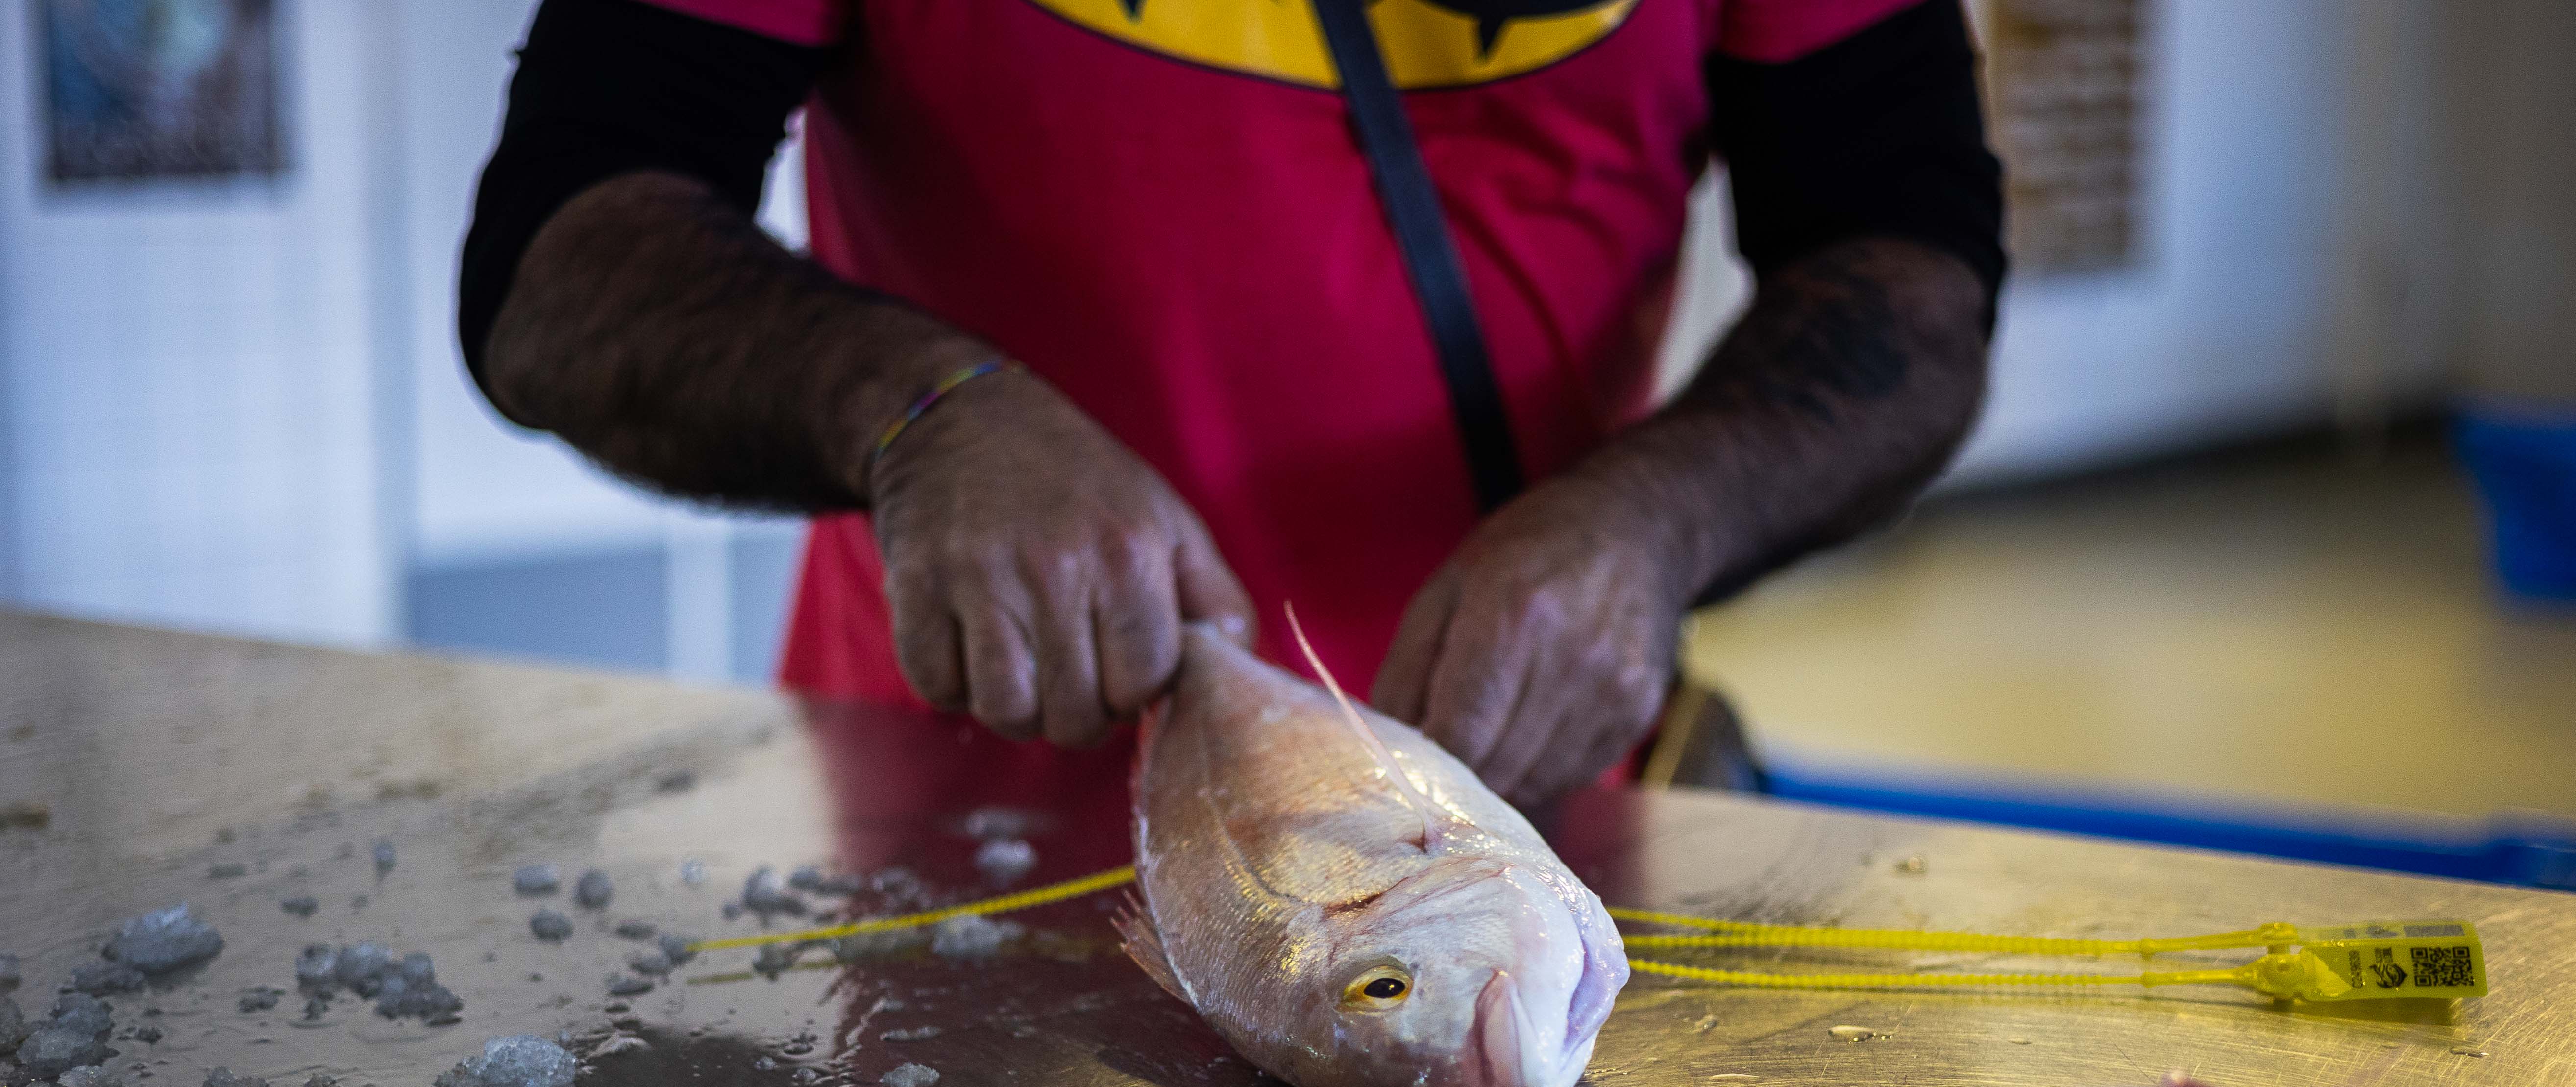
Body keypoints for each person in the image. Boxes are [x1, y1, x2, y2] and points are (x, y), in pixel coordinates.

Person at [461, 0, 2002, 806]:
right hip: (956, 810)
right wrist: (912, 406)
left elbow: (1909, 269)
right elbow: (560, 253)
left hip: (1509, 802)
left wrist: (1658, 523)